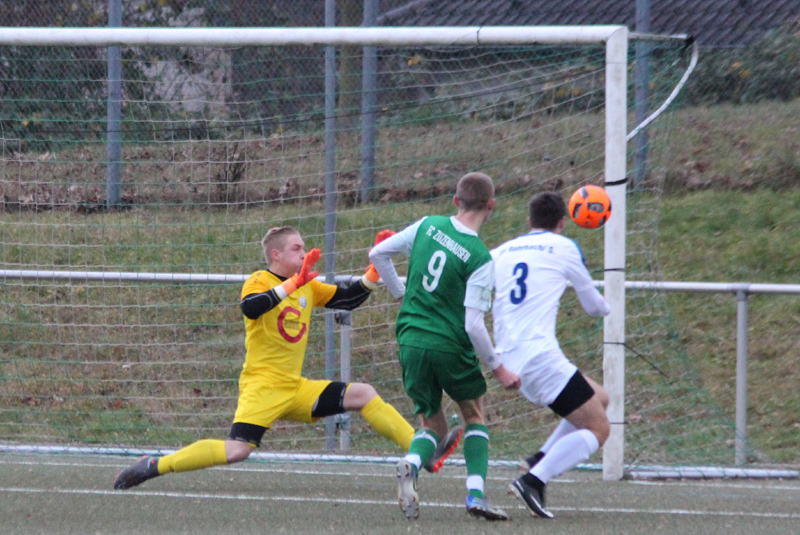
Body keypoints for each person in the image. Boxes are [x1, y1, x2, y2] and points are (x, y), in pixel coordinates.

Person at [114, 226, 453, 490]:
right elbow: (252, 307)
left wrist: (376, 267)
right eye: (297, 248)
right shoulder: (260, 280)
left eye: (304, 248)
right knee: (237, 451)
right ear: (275, 254)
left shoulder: (306, 284)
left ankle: (423, 451)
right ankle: (154, 465)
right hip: (262, 387)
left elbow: (348, 299)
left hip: (295, 387)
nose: (305, 253)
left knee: (363, 393)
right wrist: (293, 284)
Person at [369, 172, 521, 521]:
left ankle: (411, 463)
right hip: (449, 345)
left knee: (431, 426)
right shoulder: (480, 257)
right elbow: (472, 324)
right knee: (474, 416)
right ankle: (476, 496)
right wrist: (498, 367)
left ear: (456, 200)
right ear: (491, 205)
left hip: (410, 339)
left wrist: (400, 293)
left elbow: (378, 253)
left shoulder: (427, 225)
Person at [491, 192, 611, 519]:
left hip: (508, 355)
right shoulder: (564, 247)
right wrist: (608, 308)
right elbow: (592, 306)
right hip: (539, 357)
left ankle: (538, 459)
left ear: (529, 221)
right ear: (563, 221)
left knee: (600, 397)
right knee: (600, 429)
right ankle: (533, 481)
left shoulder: (500, 252)